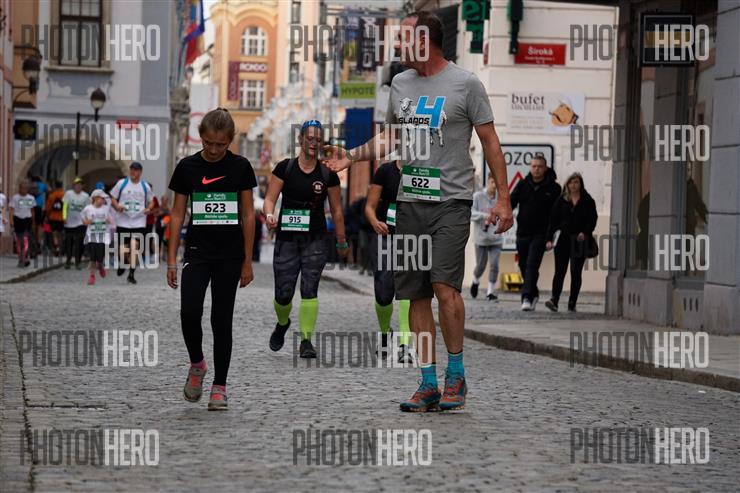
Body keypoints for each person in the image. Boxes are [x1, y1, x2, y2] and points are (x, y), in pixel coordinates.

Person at [322, 11, 514, 412]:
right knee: (415, 295)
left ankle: (455, 375)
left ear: (424, 40)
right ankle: (428, 382)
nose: (395, 44)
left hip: (451, 202)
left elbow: (490, 142)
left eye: (402, 37)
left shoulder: (466, 84)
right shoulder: (400, 83)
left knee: (444, 287)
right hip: (409, 202)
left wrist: (503, 198)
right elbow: (391, 137)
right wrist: (351, 156)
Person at [167, 108, 256, 411]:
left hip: (229, 254)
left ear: (230, 141)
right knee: (189, 312)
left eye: (221, 144)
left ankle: (220, 386)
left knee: (221, 319)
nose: (215, 150)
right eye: (208, 143)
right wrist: (171, 259)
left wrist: (247, 261)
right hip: (197, 251)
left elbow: (248, 214)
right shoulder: (187, 167)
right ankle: (197, 364)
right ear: (200, 137)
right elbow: (177, 214)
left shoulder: (241, 167)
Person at [263, 119, 348, 359]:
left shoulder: (327, 174)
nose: (313, 143)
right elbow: (270, 199)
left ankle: (306, 341)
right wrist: (269, 215)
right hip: (287, 239)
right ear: (300, 139)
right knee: (283, 293)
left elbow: (337, 210)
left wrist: (341, 241)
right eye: (309, 138)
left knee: (310, 289)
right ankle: (282, 322)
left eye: (318, 140)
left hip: (316, 239)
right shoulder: (285, 168)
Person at [365, 158, 413, 363]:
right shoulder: (385, 171)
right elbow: (369, 206)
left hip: (412, 238)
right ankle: (385, 332)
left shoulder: (424, 170)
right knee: (383, 293)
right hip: (386, 238)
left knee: (407, 291)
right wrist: (375, 222)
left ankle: (405, 345)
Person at [510, 155, 560, 311]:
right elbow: (511, 202)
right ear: (530, 167)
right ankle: (534, 292)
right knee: (523, 265)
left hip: (541, 234)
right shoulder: (523, 184)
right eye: (534, 166)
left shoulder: (554, 188)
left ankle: (526, 297)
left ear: (545, 168)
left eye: (539, 166)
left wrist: (551, 236)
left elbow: (557, 214)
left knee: (532, 265)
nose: (536, 169)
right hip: (523, 232)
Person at [545, 173, 597, 312]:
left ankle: (572, 301)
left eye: (576, 182)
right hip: (563, 240)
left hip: (579, 241)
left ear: (581, 184)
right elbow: (553, 221)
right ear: (567, 185)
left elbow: (592, 219)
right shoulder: (561, 200)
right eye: (571, 182)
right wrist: (549, 239)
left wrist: (585, 232)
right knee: (559, 271)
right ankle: (554, 299)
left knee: (576, 272)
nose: (573, 185)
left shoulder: (587, 200)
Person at [110, 162, 154, 284]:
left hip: (139, 221)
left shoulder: (145, 186)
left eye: (135, 170)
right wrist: (117, 206)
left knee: (134, 246)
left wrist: (148, 209)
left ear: (140, 172)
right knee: (123, 249)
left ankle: (131, 274)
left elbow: (151, 201)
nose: (133, 172)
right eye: (131, 169)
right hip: (123, 221)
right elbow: (112, 197)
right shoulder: (122, 183)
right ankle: (123, 263)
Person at [471, 174, 504, 301]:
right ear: (488, 182)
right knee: (481, 265)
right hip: (481, 238)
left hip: (496, 237)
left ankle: (490, 291)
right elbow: (471, 213)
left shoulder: (501, 198)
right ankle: (475, 280)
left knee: (494, 265)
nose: (494, 186)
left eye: (497, 183)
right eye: (492, 182)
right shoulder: (478, 196)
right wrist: (485, 215)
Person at [81, 189, 113, 285]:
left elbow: (110, 219)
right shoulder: (88, 208)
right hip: (92, 236)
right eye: (102, 198)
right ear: (95, 198)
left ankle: (100, 266)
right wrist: (86, 222)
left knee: (100, 258)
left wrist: (108, 221)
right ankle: (92, 276)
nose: (103, 200)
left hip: (103, 237)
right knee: (92, 258)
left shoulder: (106, 208)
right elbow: (82, 217)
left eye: (104, 199)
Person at [63, 177, 91, 269]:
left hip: (80, 222)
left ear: (82, 186)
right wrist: (64, 217)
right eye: (76, 184)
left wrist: (87, 220)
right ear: (74, 186)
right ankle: (68, 260)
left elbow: (88, 209)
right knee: (69, 242)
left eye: (80, 184)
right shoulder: (68, 194)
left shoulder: (85, 196)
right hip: (69, 222)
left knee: (79, 243)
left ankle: (77, 262)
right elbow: (65, 206)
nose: (78, 186)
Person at [10, 180, 36, 267]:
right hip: (18, 219)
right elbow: (12, 210)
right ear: (19, 188)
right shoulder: (15, 198)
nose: (24, 190)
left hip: (27, 219)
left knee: (25, 239)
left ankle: (24, 256)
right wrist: (11, 220)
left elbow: (32, 211)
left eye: (25, 188)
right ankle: (21, 257)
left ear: (27, 189)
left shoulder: (31, 198)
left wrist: (33, 222)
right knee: (19, 240)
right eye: (22, 188)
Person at [45, 181, 66, 255]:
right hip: (62, 217)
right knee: (60, 233)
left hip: (53, 217)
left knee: (54, 233)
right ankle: (60, 247)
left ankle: (56, 245)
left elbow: (48, 208)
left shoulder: (51, 195)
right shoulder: (64, 195)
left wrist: (47, 217)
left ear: (55, 187)